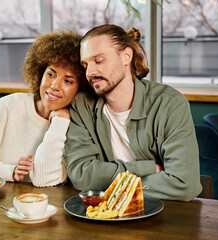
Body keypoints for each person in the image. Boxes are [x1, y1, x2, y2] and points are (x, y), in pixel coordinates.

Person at [65, 24, 202, 201]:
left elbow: (184, 184)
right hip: (102, 216)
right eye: (85, 65)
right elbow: (82, 177)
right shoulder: (81, 105)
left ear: (126, 56)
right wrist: (149, 169)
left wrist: (113, 186)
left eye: (98, 61)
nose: (90, 72)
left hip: (162, 215)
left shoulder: (170, 104)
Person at [0, 30, 89, 187]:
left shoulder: (77, 124)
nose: (54, 86)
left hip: (45, 208)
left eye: (68, 81)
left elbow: (43, 179)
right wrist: (10, 171)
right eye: (51, 74)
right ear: (40, 73)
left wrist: (59, 122)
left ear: (81, 88)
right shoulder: (9, 105)